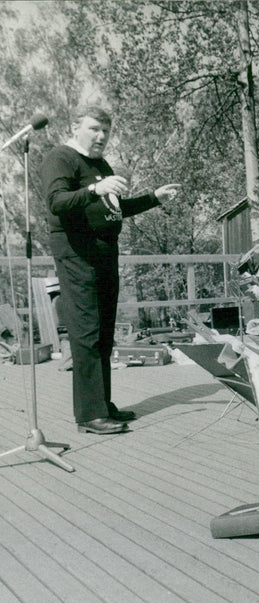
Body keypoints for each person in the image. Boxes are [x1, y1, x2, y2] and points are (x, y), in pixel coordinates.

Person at [40, 105, 180, 435]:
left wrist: (153, 198)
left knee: (103, 333)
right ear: (75, 127)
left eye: (106, 130)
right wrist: (93, 189)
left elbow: (113, 208)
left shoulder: (100, 164)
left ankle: (102, 405)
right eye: (94, 129)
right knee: (86, 332)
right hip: (78, 253)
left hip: (105, 253)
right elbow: (56, 202)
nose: (101, 136)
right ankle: (89, 415)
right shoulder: (61, 158)